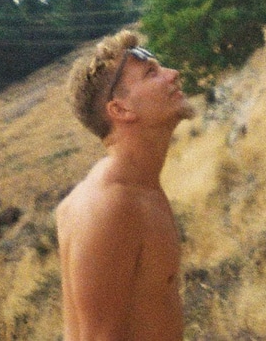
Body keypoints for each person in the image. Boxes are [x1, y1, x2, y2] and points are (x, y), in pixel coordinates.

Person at [56, 31, 194, 341]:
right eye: (151, 73)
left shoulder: (139, 187)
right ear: (120, 110)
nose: (173, 74)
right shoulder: (110, 206)